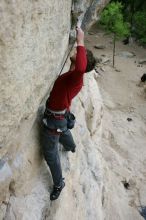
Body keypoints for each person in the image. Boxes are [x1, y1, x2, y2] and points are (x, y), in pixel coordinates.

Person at [41, 27, 96, 201]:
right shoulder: (74, 74)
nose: (79, 53)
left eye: (82, 54)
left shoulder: (77, 76)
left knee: (50, 154)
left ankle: (59, 183)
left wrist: (81, 40)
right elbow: (77, 65)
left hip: (55, 119)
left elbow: (80, 67)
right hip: (61, 116)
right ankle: (71, 147)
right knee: (63, 130)